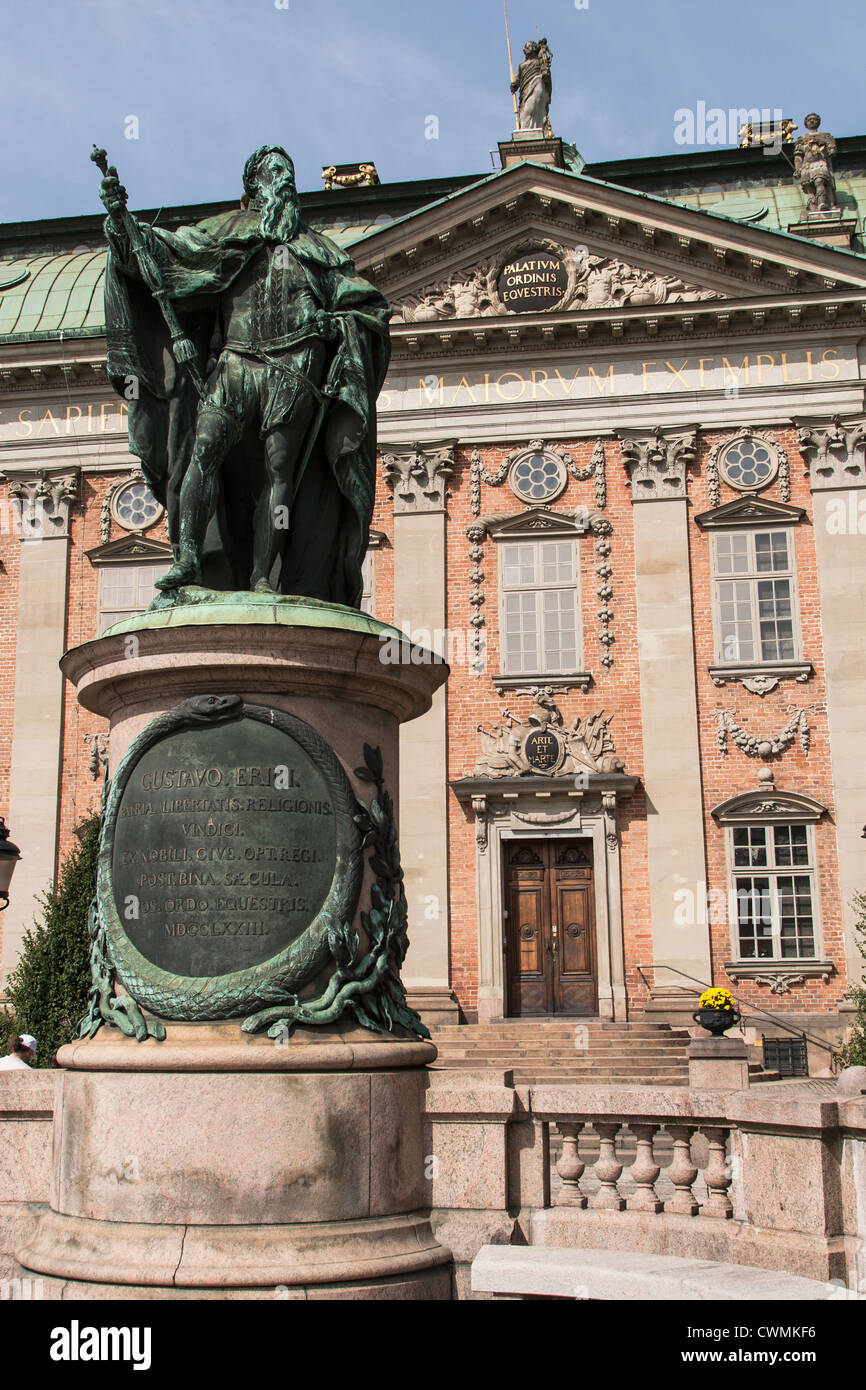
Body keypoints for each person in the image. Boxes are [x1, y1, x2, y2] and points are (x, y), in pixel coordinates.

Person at [100, 146, 391, 603]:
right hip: (235, 362)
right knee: (205, 451)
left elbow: (366, 307)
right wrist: (123, 227)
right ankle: (189, 557)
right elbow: (165, 255)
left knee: (280, 472)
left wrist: (340, 325)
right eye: (276, 171)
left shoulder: (317, 248)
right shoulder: (227, 232)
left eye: (290, 172)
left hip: (294, 371)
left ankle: (261, 575)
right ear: (255, 183)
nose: (286, 179)